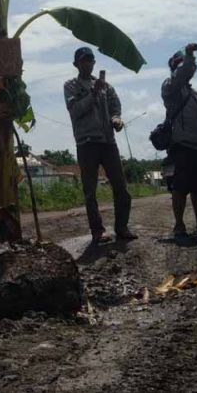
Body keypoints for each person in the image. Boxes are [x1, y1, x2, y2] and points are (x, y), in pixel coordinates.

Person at [64, 47, 137, 246]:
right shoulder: (70, 86)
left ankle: (122, 228)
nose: (87, 63)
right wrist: (93, 95)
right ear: (76, 64)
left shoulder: (106, 86)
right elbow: (75, 110)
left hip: (108, 142)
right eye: (83, 60)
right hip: (86, 143)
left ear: (94, 63)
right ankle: (98, 231)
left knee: (121, 187)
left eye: (90, 60)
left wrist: (116, 119)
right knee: (90, 190)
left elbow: (116, 108)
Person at [161, 44, 197, 240]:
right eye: (184, 66)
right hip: (182, 146)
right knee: (181, 187)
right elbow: (181, 75)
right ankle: (179, 225)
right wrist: (189, 55)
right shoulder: (170, 88)